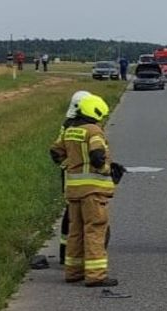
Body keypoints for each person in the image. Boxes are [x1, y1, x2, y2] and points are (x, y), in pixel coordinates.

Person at [49, 94, 119, 287]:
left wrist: (69, 165)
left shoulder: (70, 130)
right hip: (93, 191)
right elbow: (97, 157)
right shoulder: (94, 131)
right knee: (95, 230)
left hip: (73, 190)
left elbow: (55, 152)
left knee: (75, 231)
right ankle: (96, 275)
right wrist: (109, 170)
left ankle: (73, 271)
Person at [56, 90, 91, 266]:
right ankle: (71, 252)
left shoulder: (69, 124)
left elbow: (57, 150)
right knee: (75, 213)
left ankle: (67, 252)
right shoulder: (76, 125)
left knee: (71, 212)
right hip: (77, 175)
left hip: (72, 173)